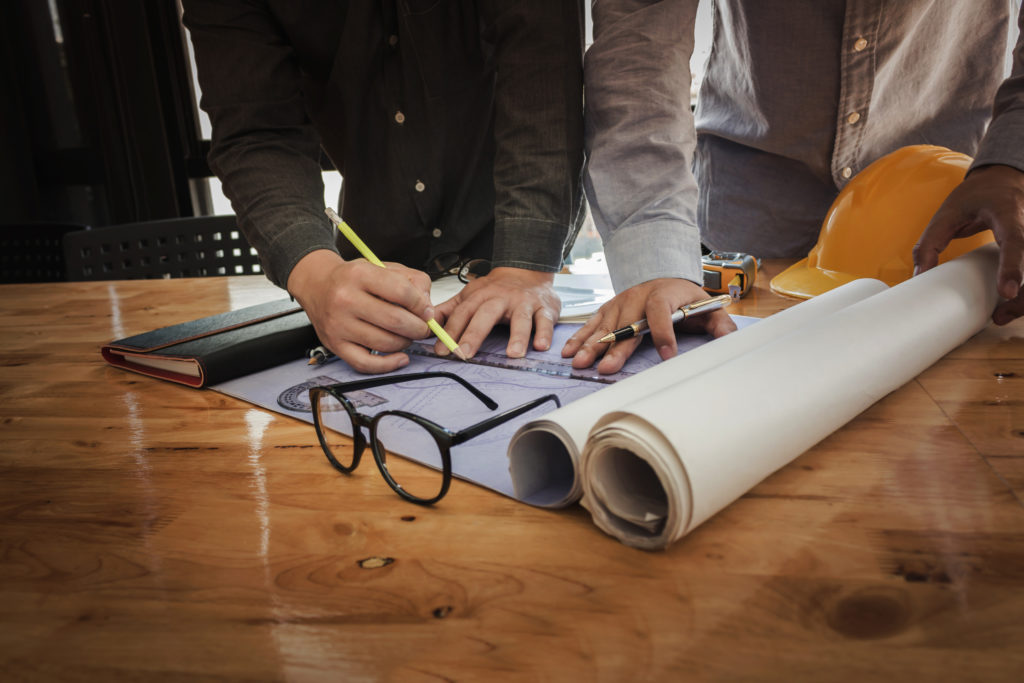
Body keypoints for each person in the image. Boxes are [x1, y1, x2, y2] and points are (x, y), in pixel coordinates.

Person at [568, 0, 1024, 374]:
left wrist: (1013, 158)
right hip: (750, 218)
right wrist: (656, 256)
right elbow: (640, 51)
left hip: (952, 222)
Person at [182, 1, 586, 374]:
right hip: (375, 262)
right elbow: (255, 131)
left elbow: (543, 64)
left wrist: (525, 269)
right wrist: (317, 278)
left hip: (524, 250)